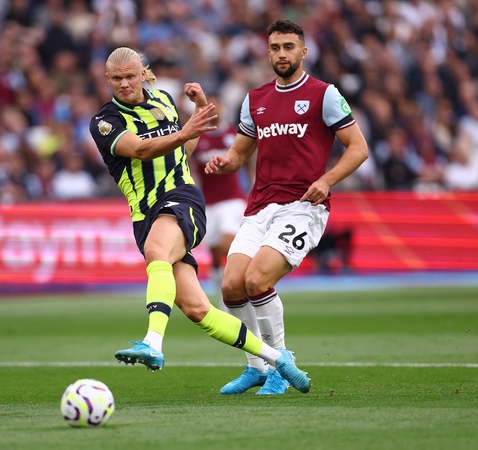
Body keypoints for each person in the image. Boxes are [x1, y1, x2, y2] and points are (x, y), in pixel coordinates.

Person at [88, 47, 311, 394]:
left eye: (130, 76)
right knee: (197, 309)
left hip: (180, 197)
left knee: (157, 253)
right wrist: (187, 127)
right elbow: (142, 149)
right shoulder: (105, 121)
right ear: (108, 80)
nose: (124, 84)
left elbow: (183, 151)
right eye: (116, 79)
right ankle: (277, 359)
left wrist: (196, 110)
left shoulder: (161, 99)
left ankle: (152, 343)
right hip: (144, 214)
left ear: (142, 73)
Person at [205, 19, 369, 395]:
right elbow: (239, 152)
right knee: (231, 287)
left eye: (288, 47)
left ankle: (280, 362)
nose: (281, 54)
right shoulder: (255, 99)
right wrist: (225, 163)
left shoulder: (323, 94)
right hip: (260, 206)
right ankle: (257, 367)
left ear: (303, 51)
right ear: (268, 52)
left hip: (302, 207)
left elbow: (358, 148)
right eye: (275, 47)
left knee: (257, 280)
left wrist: (326, 180)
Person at [189, 94, 249, 306]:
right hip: (208, 202)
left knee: (227, 245)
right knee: (215, 253)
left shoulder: (233, 133)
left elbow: (250, 157)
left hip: (232, 199)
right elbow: (187, 163)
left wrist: (252, 185)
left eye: (216, 105)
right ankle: (223, 299)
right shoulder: (197, 137)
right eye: (208, 106)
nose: (213, 110)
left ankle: (247, 282)